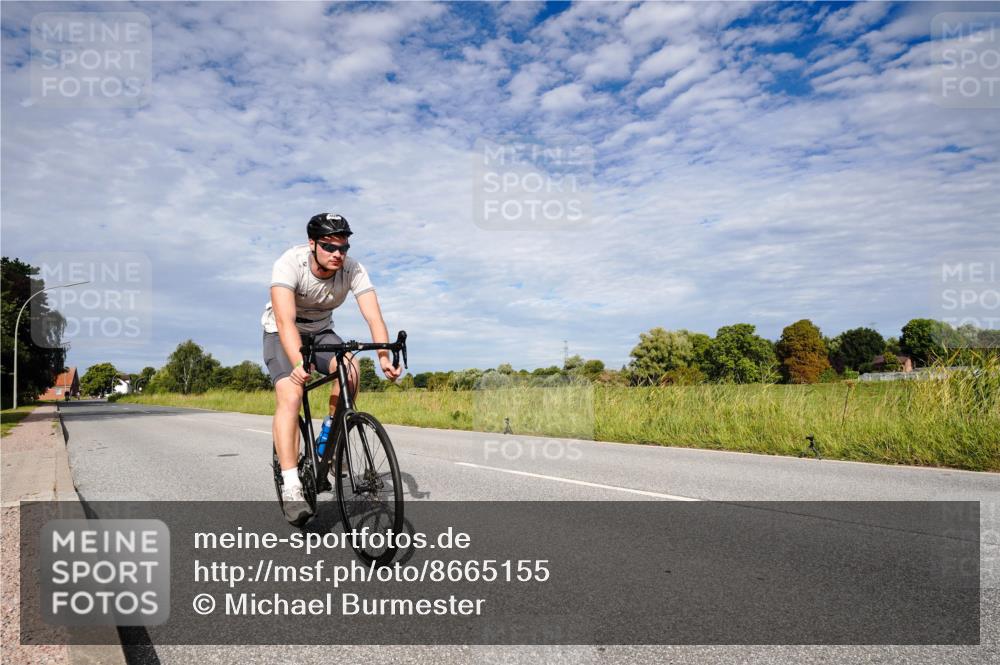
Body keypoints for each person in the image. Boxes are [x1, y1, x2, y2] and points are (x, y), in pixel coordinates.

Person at [261, 213, 401, 524]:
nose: (338, 254)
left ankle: (328, 440)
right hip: (282, 332)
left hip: (322, 331)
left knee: (350, 369)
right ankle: (292, 485)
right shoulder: (289, 263)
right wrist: (299, 362)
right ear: (312, 244)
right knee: (291, 394)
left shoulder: (353, 269)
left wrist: (382, 358)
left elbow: (374, 317)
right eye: (329, 246)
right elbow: (285, 321)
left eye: (344, 247)